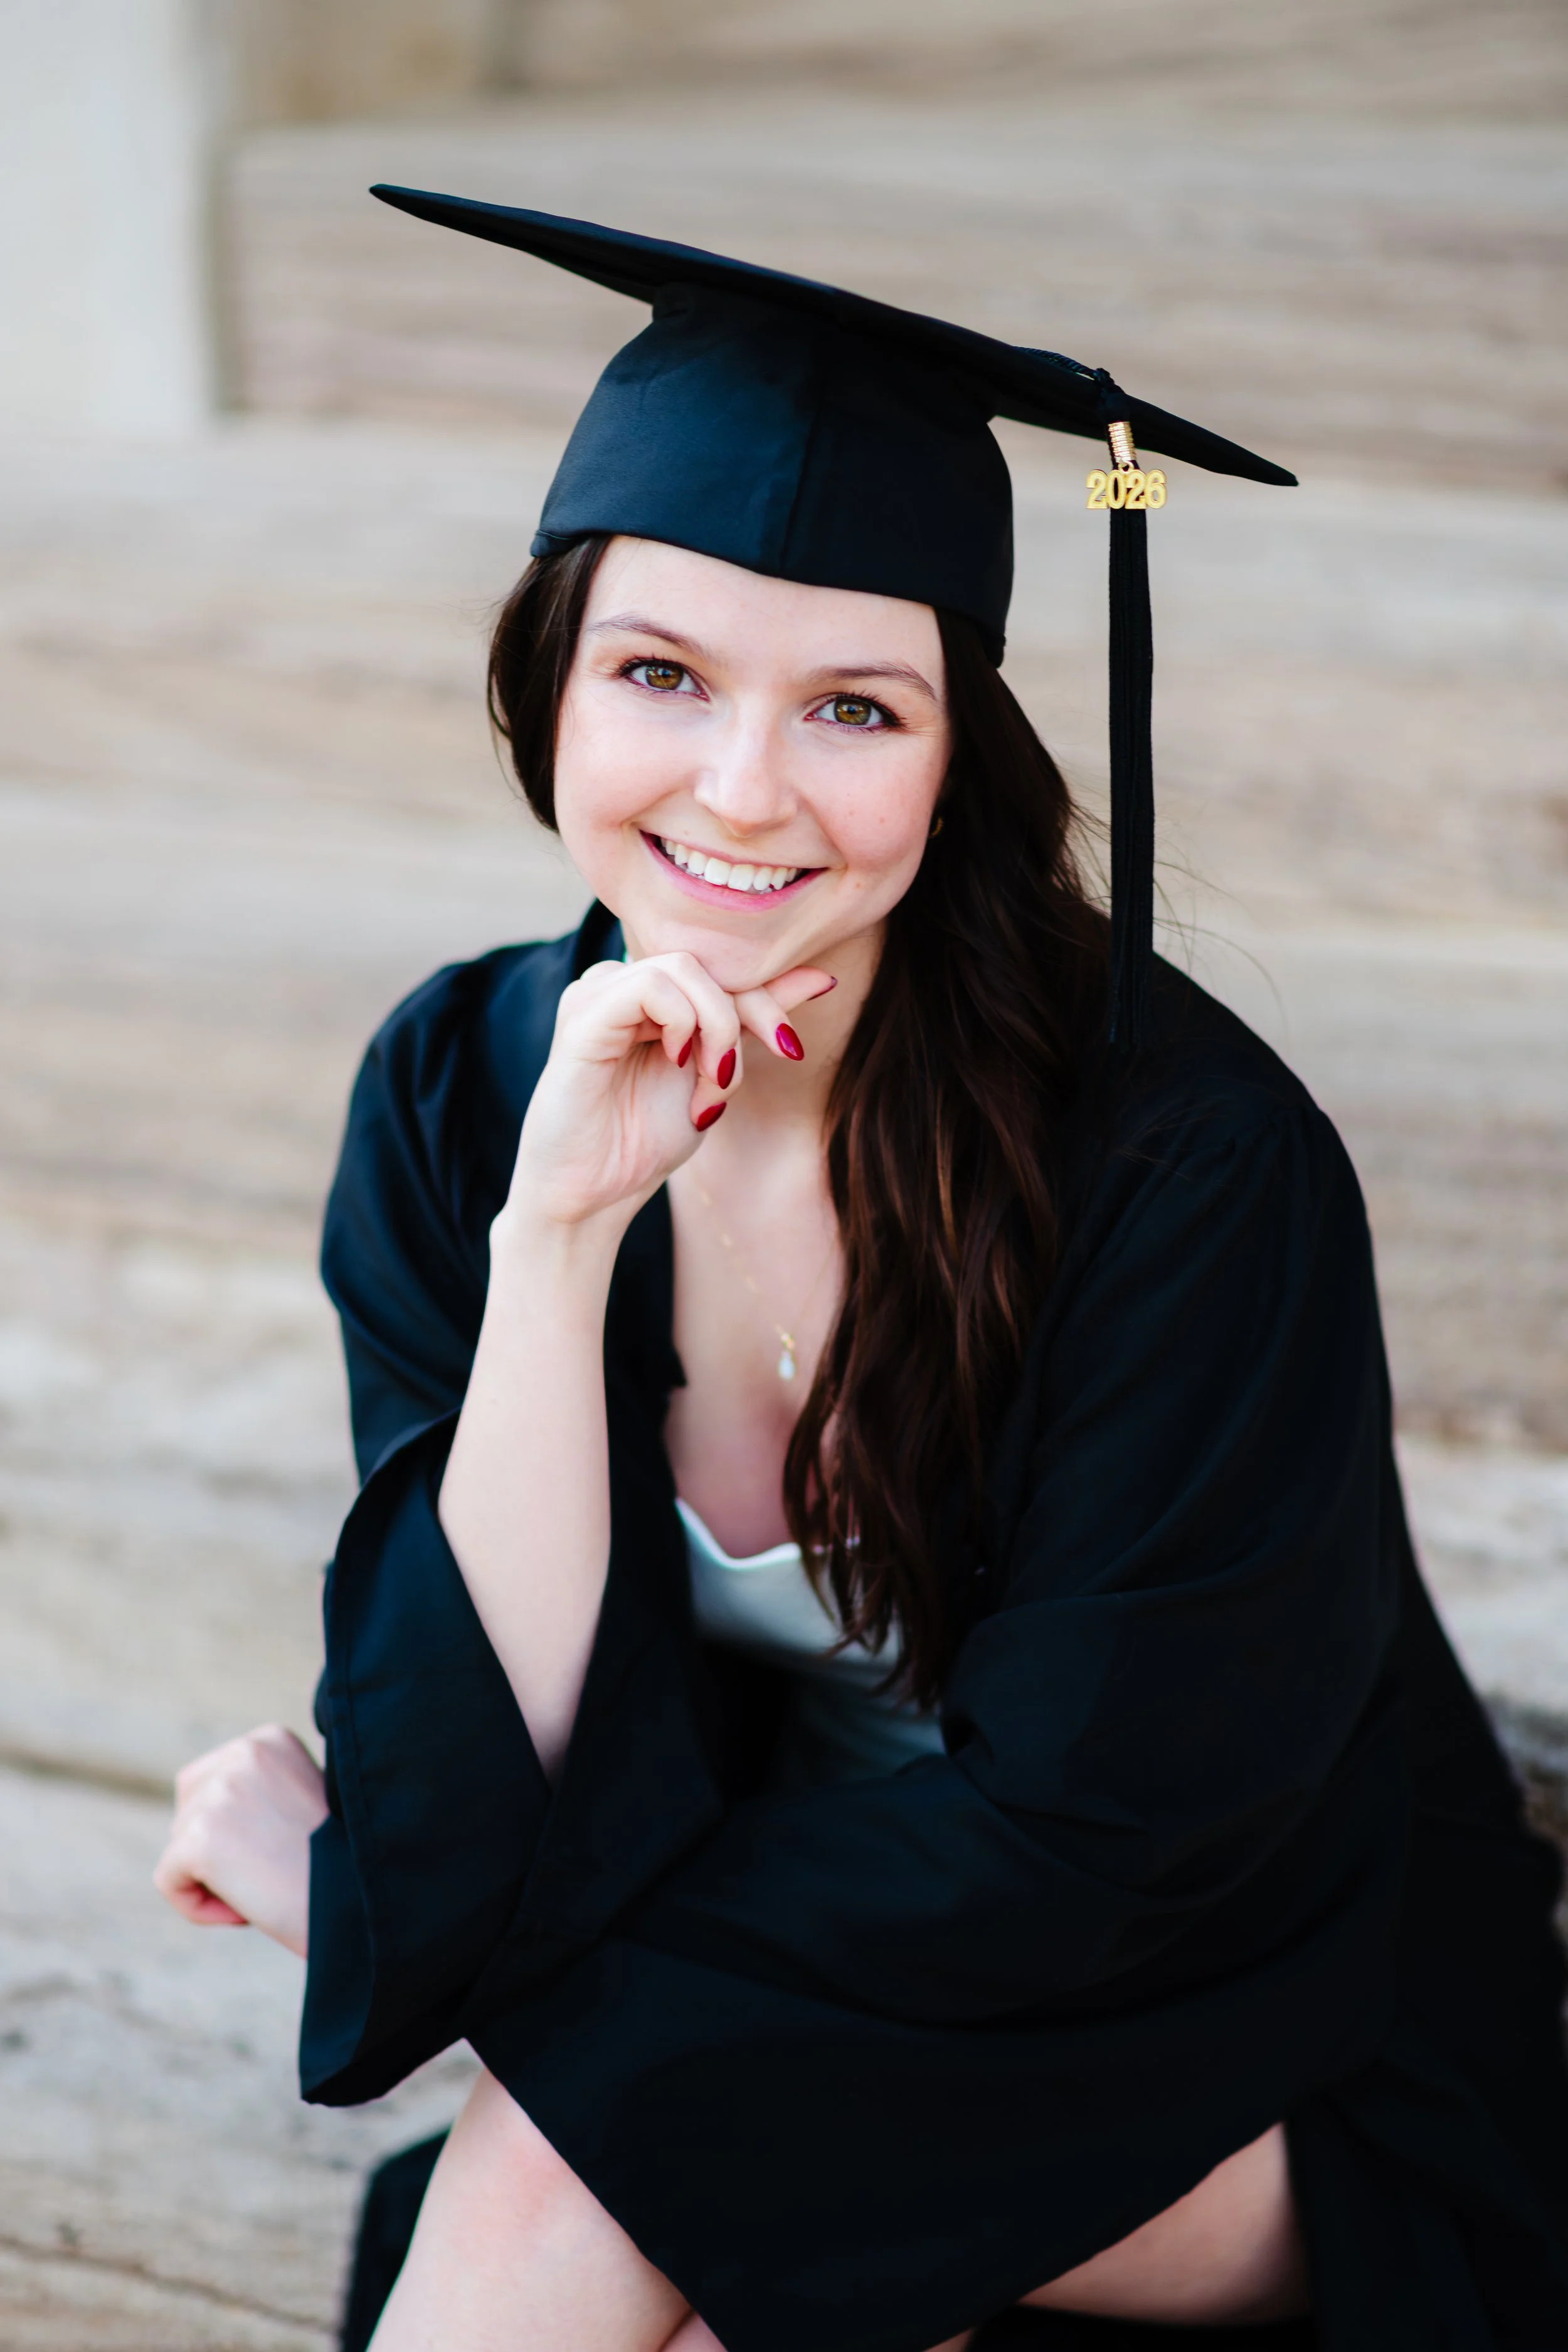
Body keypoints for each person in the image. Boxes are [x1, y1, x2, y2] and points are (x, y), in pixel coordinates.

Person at [154, 194, 1568, 2352]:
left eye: (852, 707)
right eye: (659, 674)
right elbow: (479, 1733)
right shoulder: (460, 1092)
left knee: (582, 2157)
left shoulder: (1183, 1168)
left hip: (1237, 2036)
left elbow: (1106, 1838)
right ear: (546, 686)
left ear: (953, 747)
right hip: (778, 1978)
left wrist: (405, 1917)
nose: (744, 792)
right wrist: (558, 1241)